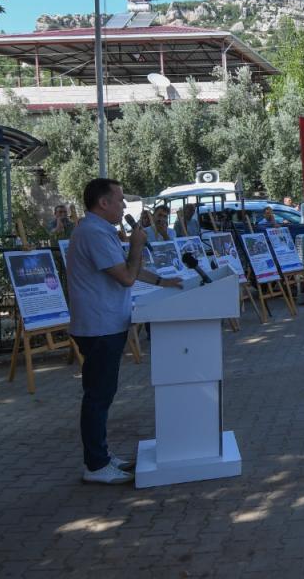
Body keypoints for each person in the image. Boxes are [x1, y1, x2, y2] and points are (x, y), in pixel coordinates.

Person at [66, 178, 182, 484]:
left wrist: (163, 282)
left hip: (106, 324)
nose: (123, 207)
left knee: (102, 394)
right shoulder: (93, 233)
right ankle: (95, 465)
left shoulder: (100, 231)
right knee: (98, 396)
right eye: (118, 200)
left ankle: (102, 456)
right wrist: (137, 244)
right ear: (103, 203)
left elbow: (128, 270)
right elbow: (127, 277)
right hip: (99, 327)